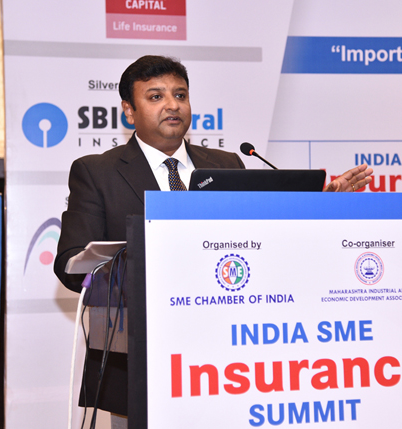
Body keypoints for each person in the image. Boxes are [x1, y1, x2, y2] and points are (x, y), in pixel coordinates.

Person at [54, 55, 374, 426]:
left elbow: (266, 242)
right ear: (129, 110)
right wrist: (137, 261)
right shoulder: (97, 172)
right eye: (156, 97)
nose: (172, 105)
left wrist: (320, 206)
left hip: (228, 360)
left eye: (180, 95)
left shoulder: (226, 164)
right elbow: (71, 264)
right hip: (142, 359)